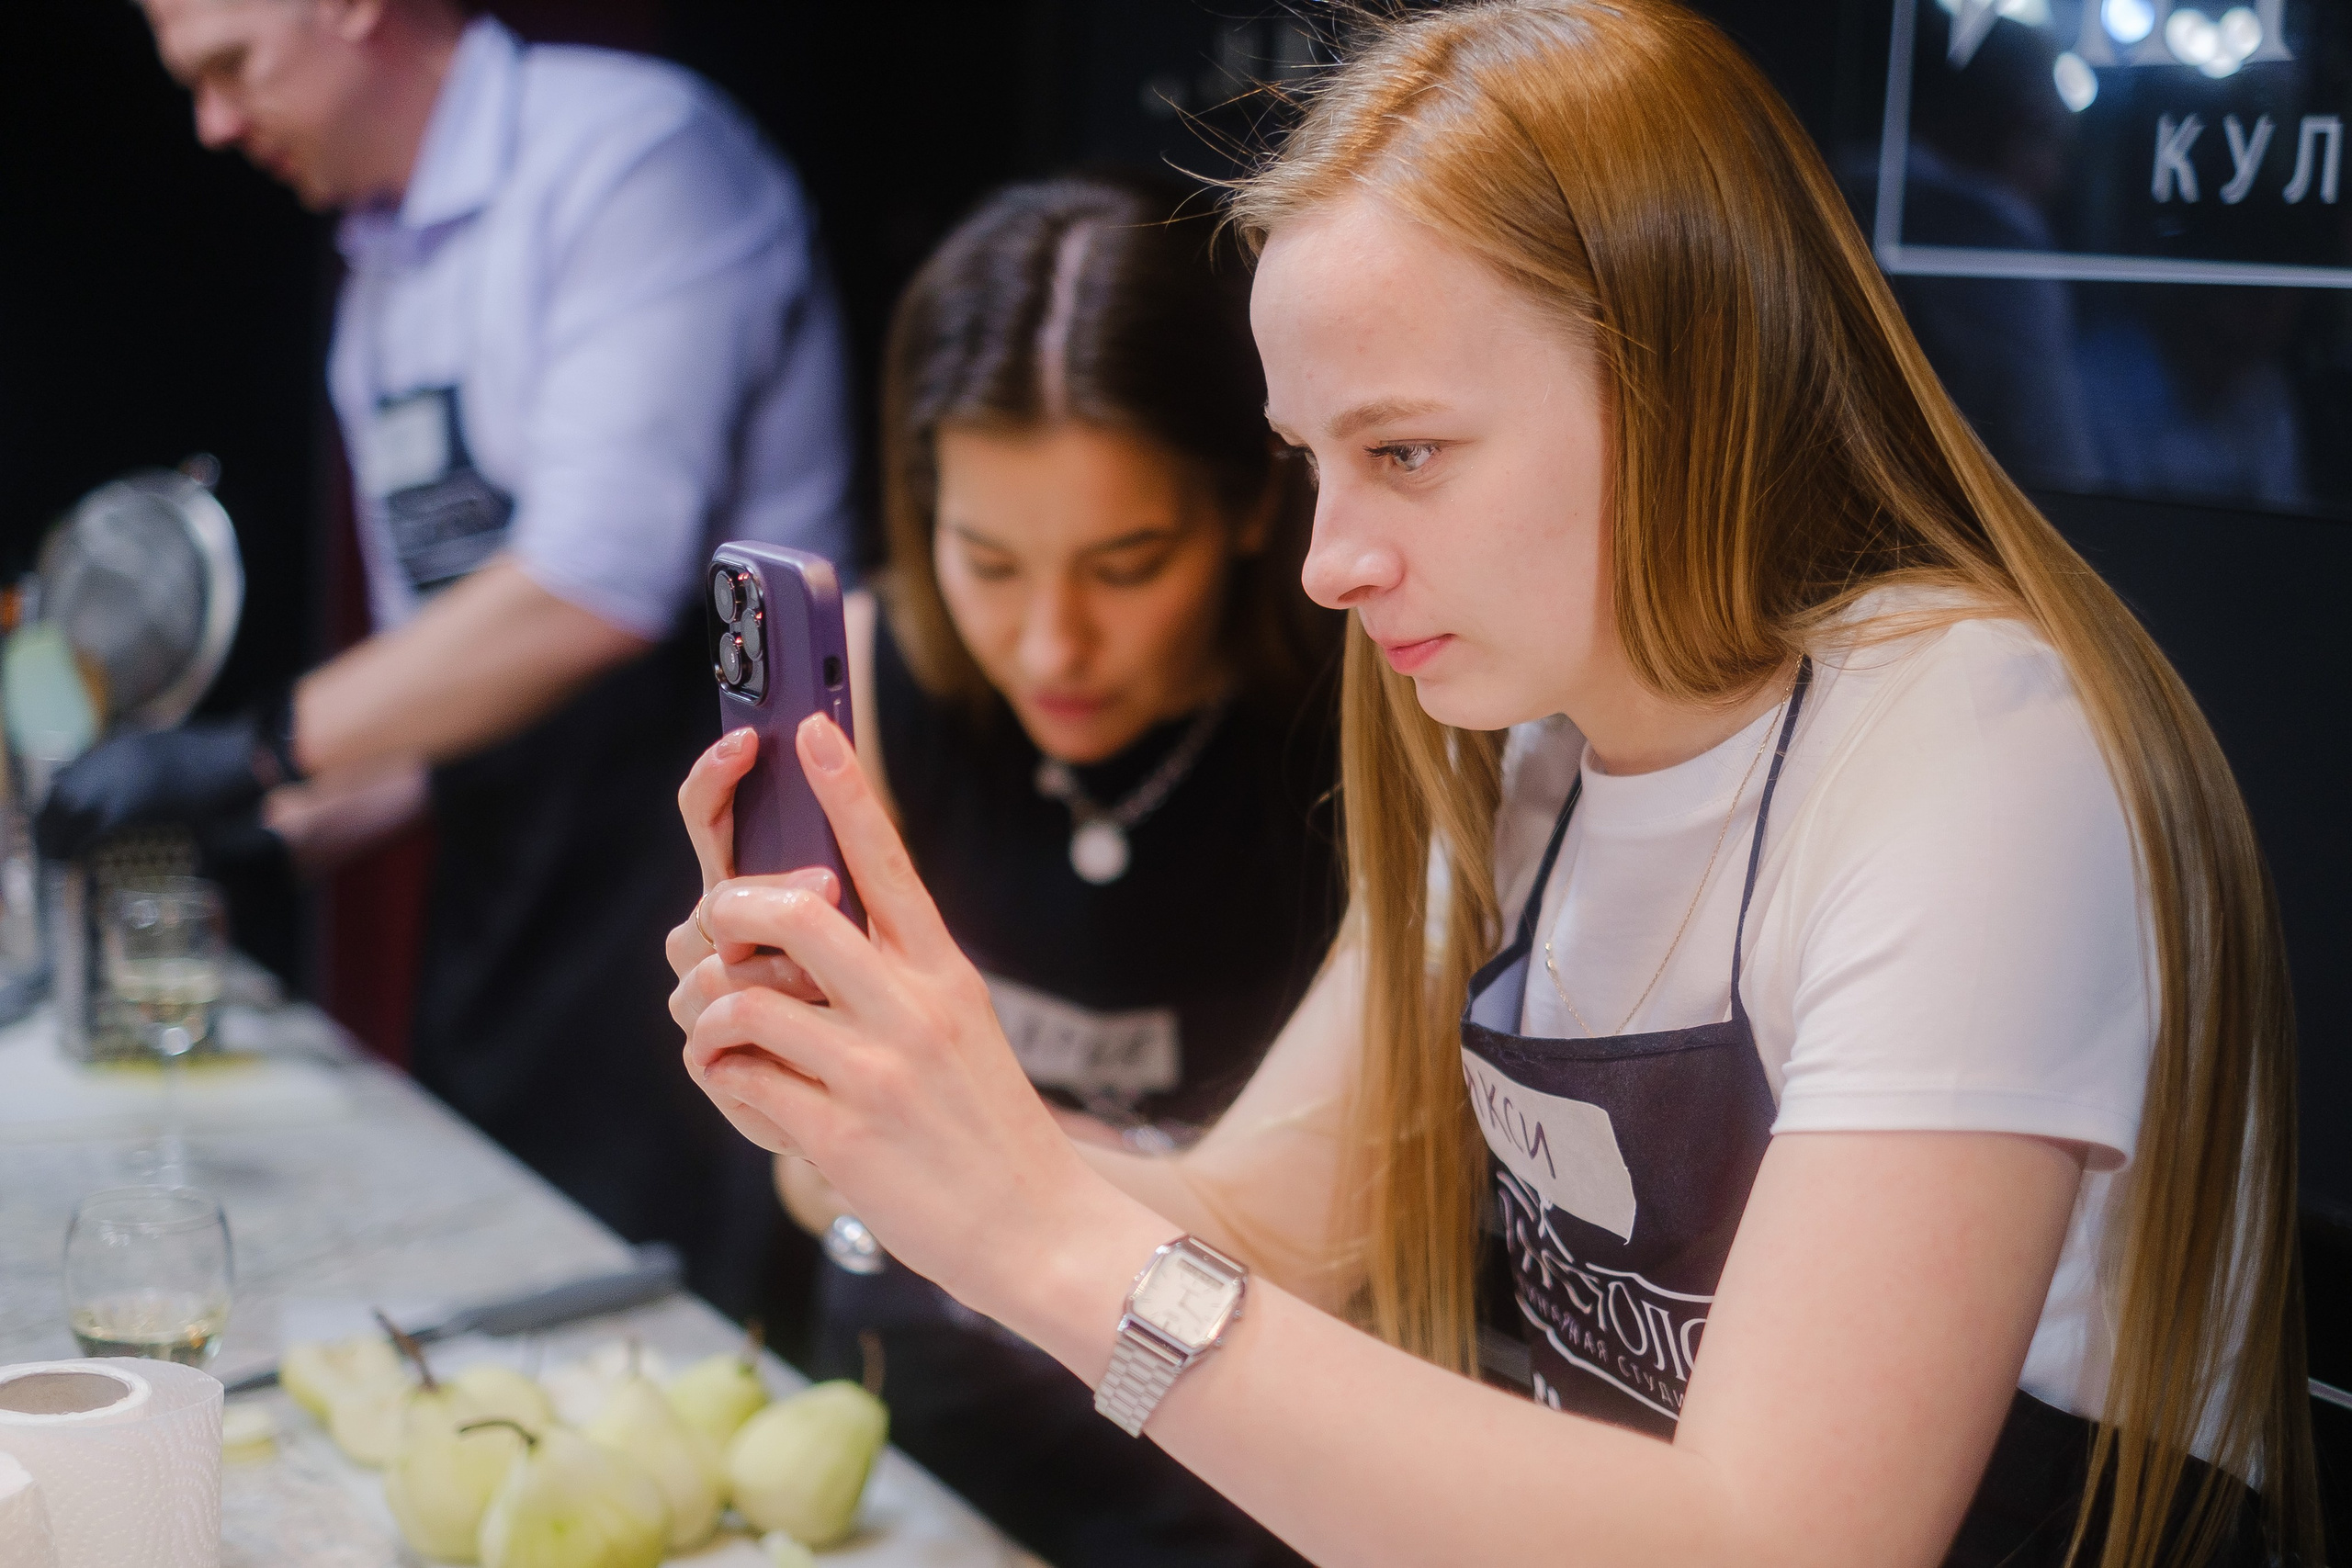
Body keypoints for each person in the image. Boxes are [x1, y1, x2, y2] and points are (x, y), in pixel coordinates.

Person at [666, 3, 2319, 1564]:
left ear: (1683, 377)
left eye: (1406, 453)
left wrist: (1033, 1227)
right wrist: (891, 1108)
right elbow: (1271, 1231)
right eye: (1312, 462)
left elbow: (1784, 1542)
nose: (1325, 562)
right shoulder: (1531, 754)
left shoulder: (1974, 760)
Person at [42, 0, 854, 1313]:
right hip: (517, 874)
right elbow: (463, 682)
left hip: (720, 862)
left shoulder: (632, 160)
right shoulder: (381, 272)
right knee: (500, 1284)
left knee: (673, 1327)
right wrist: (270, 823)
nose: (211, 124)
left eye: (232, 69)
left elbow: (594, 591)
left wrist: (244, 749)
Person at [711, 174, 1340, 1568]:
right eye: (988, 561)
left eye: (1127, 564)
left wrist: (915, 1139)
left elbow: (1329, 1248)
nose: (1052, 647)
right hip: (896, 1463)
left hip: (1243, 1482)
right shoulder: (861, 677)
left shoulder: (1369, 733)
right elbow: (812, 1168)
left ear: (1252, 501)